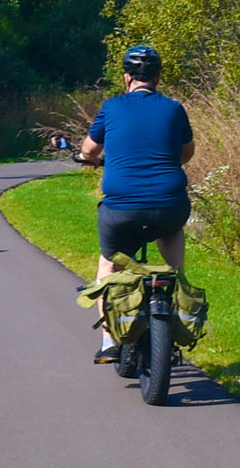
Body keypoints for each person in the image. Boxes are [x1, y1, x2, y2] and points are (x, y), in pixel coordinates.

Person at [74, 45, 195, 364]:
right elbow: (187, 153)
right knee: (171, 234)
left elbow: (89, 150)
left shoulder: (111, 107)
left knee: (109, 264)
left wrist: (90, 159)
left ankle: (109, 341)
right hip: (170, 205)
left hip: (121, 210)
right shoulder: (174, 109)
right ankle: (177, 289)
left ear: (127, 78)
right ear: (157, 79)